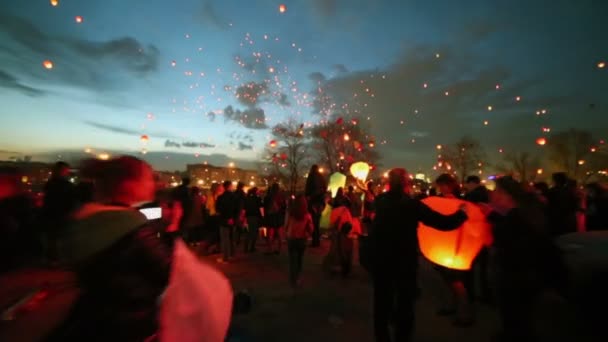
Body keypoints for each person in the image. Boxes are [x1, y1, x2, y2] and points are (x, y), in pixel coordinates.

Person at [46, 156, 171, 341]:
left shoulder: (88, 218)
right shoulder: (132, 228)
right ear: (129, 184)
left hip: (94, 317)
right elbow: (169, 272)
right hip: (130, 322)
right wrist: (173, 227)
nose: (154, 182)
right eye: (148, 177)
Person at [371, 168, 467, 342]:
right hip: (404, 260)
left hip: (381, 258)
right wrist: (461, 214)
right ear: (407, 184)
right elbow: (442, 222)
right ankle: (402, 336)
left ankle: (382, 336)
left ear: (388, 183)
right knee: (405, 302)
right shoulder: (412, 205)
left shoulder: (380, 201)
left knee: (382, 301)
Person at [479, 176, 565, 341]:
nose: (491, 195)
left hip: (517, 279)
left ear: (507, 196)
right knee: (522, 317)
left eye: (496, 191)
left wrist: (488, 228)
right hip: (530, 278)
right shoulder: (525, 213)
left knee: (516, 318)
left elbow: (501, 241)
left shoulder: (516, 220)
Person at [42, 161, 76, 264]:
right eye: (66, 170)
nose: (67, 172)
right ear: (63, 171)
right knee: (60, 238)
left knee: (52, 239)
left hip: (50, 215)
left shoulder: (49, 184)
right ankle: (58, 259)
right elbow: (71, 200)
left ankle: (52, 259)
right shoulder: (66, 185)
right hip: (61, 215)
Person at [285, 195, 313, 288]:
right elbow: (311, 229)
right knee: (299, 259)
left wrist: (286, 233)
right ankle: (298, 278)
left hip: (291, 238)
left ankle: (292, 278)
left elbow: (286, 225)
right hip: (302, 239)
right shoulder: (307, 215)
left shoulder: (290, 213)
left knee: (292, 260)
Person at [216, 181, 238, 263]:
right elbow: (237, 209)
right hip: (233, 220)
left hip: (224, 220)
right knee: (232, 238)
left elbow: (218, 209)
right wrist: (233, 218)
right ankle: (232, 255)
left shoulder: (221, 197)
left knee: (225, 239)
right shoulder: (235, 197)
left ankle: (225, 258)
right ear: (229, 186)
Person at [305, 165, 327, 247]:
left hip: (313, 201)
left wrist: (307, 197)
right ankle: (317, 240)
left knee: (313, 221)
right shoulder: (321, 177)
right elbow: (325, 188)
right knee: (317, 221)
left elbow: (308, 188)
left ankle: (315, 240)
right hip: (320, 202)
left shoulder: (311, 176)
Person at [264, 183, 286, 254]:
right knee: (279, 234)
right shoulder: (281, 197)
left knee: (269, 234)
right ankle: (279, 249)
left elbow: (265, 207)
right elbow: (284, 207)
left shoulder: (268, 197)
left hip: (270, 217)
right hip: (279, 217)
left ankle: (270, 249)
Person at [244, 187, 264, 253]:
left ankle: (246, 247)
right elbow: (261, 208)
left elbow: (244, 208)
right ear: (256, 192)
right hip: (255, 217)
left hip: (248, 217)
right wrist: (263, 216)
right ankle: (252, 247)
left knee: (248, 232)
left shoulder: (247, 198)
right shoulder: (258, 199)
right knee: (254, 232)